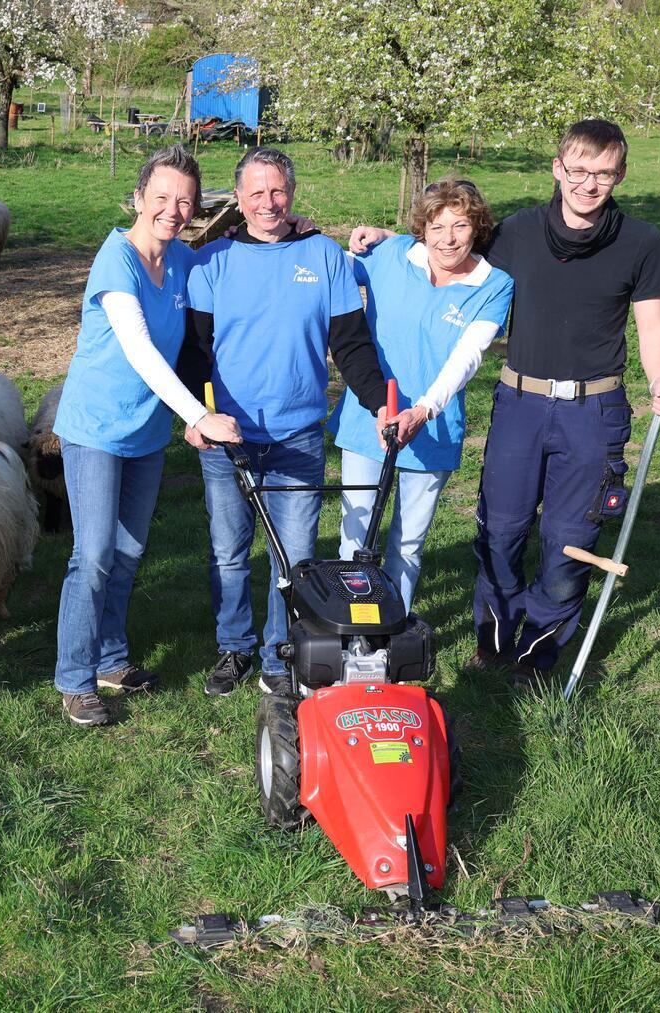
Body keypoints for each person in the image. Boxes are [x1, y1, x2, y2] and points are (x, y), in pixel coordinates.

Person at [353, 118, 660, 683]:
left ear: (620, 175)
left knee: (569, 538)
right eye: (578, 170)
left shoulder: (642, 242)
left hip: (594, 410)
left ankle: (539, 654)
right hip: (519, 404)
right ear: (558, 168)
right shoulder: (516, 234)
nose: (588, 183)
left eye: (603, 173)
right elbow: (449, 246)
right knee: (501, 529)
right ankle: (495, 637)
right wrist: (385, 240)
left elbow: (651, 326)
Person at [179, 147, 388, 696]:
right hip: (228, 437)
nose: (267, 202)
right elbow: (195, 353)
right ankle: (233, 648)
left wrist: (378, 402)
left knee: (293, 555)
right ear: (238, 199)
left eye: (277, 191)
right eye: (255, 192)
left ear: (291, 194)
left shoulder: (323, 256)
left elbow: (351, 343)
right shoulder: (211, 262)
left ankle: (279, 657)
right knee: (228, 550)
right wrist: (196, 416)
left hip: (297, 433)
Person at [51, 144, 242, 728]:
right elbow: (140, 353)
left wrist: (293, 231)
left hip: (145, 430)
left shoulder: (182, 261)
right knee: (95, 555)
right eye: (161, 197)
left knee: (129, 552)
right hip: (96, 428)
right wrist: (198, 415)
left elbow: (232, 267)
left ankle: (111, 660)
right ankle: (76, 680)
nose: (173, 210)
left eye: (184, 201)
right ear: (139, 198)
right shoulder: (117, 260)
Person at [328, 178, 513, 612]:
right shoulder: (391, 255)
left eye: (461, 226)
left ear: (477, 228)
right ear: (422, 229)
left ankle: (391, 634)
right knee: (355, 539)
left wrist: (424, 409)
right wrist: (300, 230)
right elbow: (331, 267)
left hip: (432, 426)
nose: (448, 239)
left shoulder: (495, 284)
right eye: (437, 227)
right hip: (365, 420)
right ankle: (352, 636)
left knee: (407, 544)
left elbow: (468, 356)